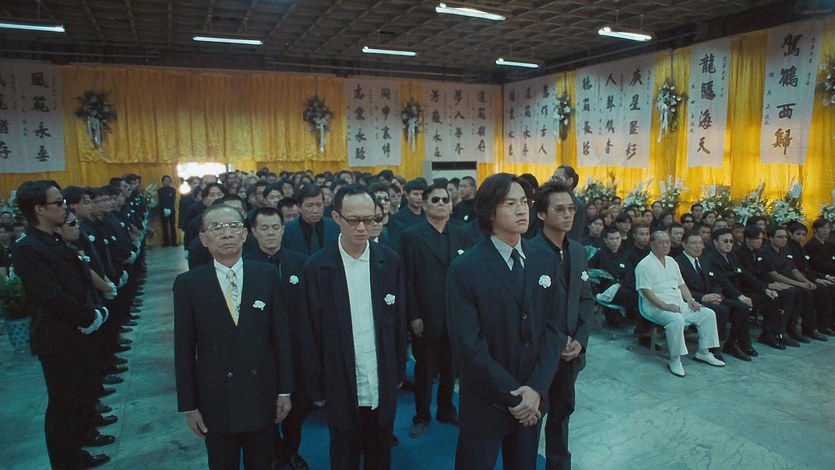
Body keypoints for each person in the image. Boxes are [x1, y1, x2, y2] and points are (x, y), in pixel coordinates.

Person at [447, 173, 565, 469]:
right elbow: (468, 344)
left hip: (532, 398)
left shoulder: (544, 257)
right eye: (510, 203)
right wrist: (514, 396)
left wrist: (536, 388)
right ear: (490, 212)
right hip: (487, 399)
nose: (522, 210)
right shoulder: (466, 268)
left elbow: (554, 327)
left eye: (524, 202)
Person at [174, 204, 293, 470]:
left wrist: (284, 390)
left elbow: (281, 338)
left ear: (244, 234)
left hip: (260, 393)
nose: (226, 233)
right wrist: (189, 406)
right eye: (217, 227)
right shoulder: (189, 284)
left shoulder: (266, 274)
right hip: (216, 399)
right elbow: (183, 349)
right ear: (204, 238)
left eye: (233, 226)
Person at [303, 185, 407, 470]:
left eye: (369, 219)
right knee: (344, 453)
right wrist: (315, 386)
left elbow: (398, 323)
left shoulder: (389, 261)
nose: (362, 228)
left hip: (380, 375)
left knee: (380, 453)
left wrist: (398, 369)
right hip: (340, 377)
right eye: (353, 220)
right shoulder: (317, 267)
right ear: (336, 217)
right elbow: (310, 333)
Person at [14, 180, 112, 469]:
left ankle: (76, 452)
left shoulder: (53, 241)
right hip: (58, 337)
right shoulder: (29, 248)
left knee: (79, 397)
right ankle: (65, 462)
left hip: (76, 332)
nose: (64, 207)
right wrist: (88, 316)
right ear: (39, 209)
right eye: (58, 203)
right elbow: (51, 296)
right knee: (64, 404)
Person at [401, 183, 474, 439]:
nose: (441, 203)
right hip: (426, 315)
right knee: (425, 369)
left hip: (455, 314)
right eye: (435, 200)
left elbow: (469, 276)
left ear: (451, 205)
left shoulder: (463, 234)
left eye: (445, 200)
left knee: (450, 367)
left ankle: (446, 409)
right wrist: (413, 315)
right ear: (424, 205)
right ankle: (422, 415)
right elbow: (407, 280)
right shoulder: (411, 236)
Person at [531, 180, 594, 470]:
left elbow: (585, 299)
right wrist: (555, 341)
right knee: (533, 416)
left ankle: (559, 464)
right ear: (541, 214)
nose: (568, 214)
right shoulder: (530, 252)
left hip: (570, 353)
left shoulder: (578, 251)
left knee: (562, 412)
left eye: (571, 209)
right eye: (560, 209)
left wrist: (580, 340)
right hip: (539, 353)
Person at [244, 207, 313, 470]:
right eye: (264, 228)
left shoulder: (301, 263)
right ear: (253, 232)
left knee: (296, 406)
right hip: (261, 350)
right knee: (266, 406)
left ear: (283, 230)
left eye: (275, 227)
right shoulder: (245, 265)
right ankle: (273, 452)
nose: (270, 233)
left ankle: (292, 451)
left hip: (296, 349)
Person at [635, 230, 724, 377]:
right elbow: (645, 291)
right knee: (676, 319)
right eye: (661, 242)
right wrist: (665, 306)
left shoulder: (672, 261)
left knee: (707, 314)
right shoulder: (644, 265)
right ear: (652, 244)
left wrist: (690, 300)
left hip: (677, 303)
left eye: (667, 242)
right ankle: (675, 359)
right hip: (655, 306)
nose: (665, 245)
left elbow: (681, 284)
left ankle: (704, 352)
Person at [675, 231, 752, 362]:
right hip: (692, 300)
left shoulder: (704, 260)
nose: (698, 246)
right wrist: (703, 297)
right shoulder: (678, 262)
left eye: (700, 243)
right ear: (684, 244)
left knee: (742, 307)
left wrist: (717, 294)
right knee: (722, 310)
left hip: (711, 296)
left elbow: (716, 280)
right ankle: (713, 348)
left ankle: (731, 343)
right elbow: (679, 287)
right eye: (694, 243)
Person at [761, 226, 827, 342]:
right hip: (776, 283)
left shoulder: (785, 251)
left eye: (785, 237)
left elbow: (794, 270)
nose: (784, 239)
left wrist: (806, 281)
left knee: (808, 292)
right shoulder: (766, 252)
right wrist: (799, 284)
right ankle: (782, 330)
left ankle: (806, 328)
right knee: (795, 292)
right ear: (770, 238)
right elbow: (774, 275)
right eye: (780, 237)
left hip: (790, 281)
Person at [588, 226, 639, 326]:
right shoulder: (599, 255)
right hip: (605, 288)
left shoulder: (625, 255)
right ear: (605, 240)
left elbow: (629, 274)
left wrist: (620, 284)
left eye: (617, 238)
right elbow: (590, 273)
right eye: (612, 239)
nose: (615, 241)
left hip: (622, 285)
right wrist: (596, 292)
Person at [282, 184, 339, 255]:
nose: (315, 210)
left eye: (319, 205)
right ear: (299, 207)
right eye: (309, 206)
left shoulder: (335, 226)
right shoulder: (287, 231)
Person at [550, 165, 585, 242]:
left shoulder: (577, 205)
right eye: (553, 178)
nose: (553, 181)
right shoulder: (549, 200)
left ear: (569, 181)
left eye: (557, 178)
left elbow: (575, 235)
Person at [158, 175, 178, 246]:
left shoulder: (173, 190)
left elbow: (173, 200)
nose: (167, 182)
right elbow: (161, 201)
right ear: (162, 181)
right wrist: (164, 209)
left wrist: (169, 209)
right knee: (164, 226)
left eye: (168, 181)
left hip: (171, 209)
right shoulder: (160, 191)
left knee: (172, 226)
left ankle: (174, 242)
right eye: (165, 180)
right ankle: (166, 242)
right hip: (163, 210)